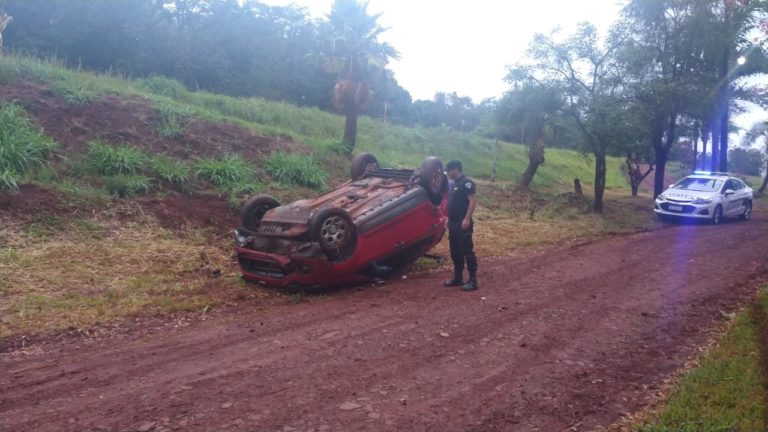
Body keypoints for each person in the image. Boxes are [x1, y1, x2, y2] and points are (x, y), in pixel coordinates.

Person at [443, 160, 478, 291]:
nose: (447, 173)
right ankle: (458, 278)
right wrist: (448, 219)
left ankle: (473, 280)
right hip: (452, 222)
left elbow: (472, 201)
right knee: (455, 251)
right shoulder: (454, 184)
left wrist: (467, 218)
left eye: (448, 170)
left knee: (467, 250)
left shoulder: (467, 183)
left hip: (462, 222)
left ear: (455, 169)